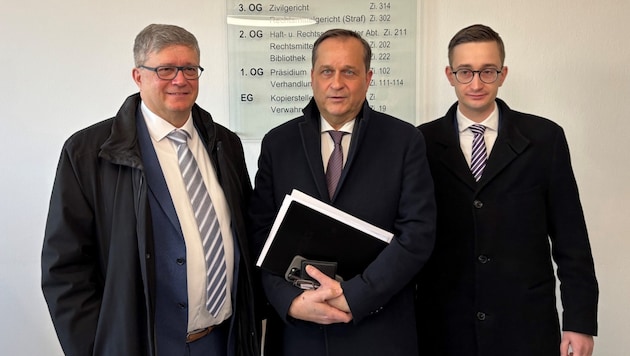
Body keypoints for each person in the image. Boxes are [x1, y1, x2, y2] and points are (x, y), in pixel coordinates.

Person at [41, 24, 260, 356]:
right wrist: (99, 348)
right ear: (138, 75)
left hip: (222, 340)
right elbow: (65, 269)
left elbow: (244, 235)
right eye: (165, 69)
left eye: (190, 69)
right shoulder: (88, 153)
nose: (180, 80)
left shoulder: (225, 144)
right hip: (142, 345)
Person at [248, 28, 436, 355]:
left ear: (368, 77)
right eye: (327, 71)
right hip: (298, 335)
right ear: (312, 77)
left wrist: (355, 296)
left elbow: (418, 234)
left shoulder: (404, 142)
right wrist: (289, 301)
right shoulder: (278, 144)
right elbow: (261, 234)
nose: (337, 83)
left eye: (349, 71)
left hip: (378, 331)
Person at [415, 24, 599, 356]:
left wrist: (580, 320)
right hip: (443, 325)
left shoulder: (545, 139)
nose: (476, 83)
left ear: (503, 74)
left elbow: (571, 238)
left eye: (487, 71)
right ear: (449, 74)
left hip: (524, 325)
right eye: (465, 72)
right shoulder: (420, 143)